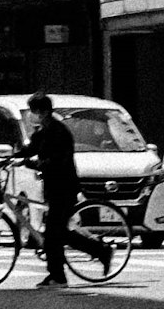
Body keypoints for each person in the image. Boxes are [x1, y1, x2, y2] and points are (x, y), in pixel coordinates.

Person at [21, 90, 105, 285]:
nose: (32, 114)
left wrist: (31, 163)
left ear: (43, 112)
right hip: (53, 188)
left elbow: (57, 162)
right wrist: (9, 157)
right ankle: (100, 252)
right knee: (58, 233)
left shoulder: (59, 132)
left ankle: (58, 276)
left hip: (65, 188)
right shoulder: (42, 131)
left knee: (52, 234)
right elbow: (29, 149)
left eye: (34, 111)